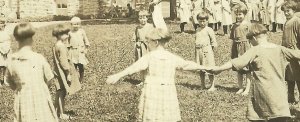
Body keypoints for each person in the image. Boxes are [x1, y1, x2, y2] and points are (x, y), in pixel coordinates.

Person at [106, 28, 208, 122]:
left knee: (152, 116)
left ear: (156, 42)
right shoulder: (171, 57)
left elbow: (133, 68)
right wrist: (207, 68)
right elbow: (187, 65)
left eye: (148, 42)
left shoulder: (149, 57)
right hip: (168, 91)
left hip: (152, 91)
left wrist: (118, 75)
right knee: (167, 116)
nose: (147, 45)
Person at [209, 23, 295, 122]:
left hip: (263, 94)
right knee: (280, 117)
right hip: (280, 96)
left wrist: (219, 69)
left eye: (249, 40)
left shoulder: (255, 50)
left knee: (260, 117)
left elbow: (236, 62)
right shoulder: (280, 49)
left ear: (253, 38)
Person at [5, 22, 58, 122]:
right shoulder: (38, 58)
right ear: (31, 39)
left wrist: (21, 89)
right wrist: (40, 87)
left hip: (23, 100)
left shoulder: (11, 61)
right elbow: (49, 79)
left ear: (16, 39)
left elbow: (10, 83)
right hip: (40, 98)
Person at [52, 24, 81, 119]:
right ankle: (62, 113)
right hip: (62, 73)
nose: (67, 35)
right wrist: (68, 74)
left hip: (57, 71)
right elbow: (64, 62)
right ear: (59, 35)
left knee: (59, 92)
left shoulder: (56, 45)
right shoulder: (62, 47)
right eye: (65, 34)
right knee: (62, 93)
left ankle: (56, 111)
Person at [280, 1, 300, 104]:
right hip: (286, 53)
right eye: (285, 11)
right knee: (289, 76)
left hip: (294, 53)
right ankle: (291, 97)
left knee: (298, 76)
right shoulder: (287, 22)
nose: (286, 13)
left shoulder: (296, 21)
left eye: (288, 11)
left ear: (294, 10)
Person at [230, 5, 252, 95]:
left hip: (245, 47)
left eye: (240, 14)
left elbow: (251, 38)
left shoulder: (248, 25)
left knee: (247, 69)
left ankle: (247, 88)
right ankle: (240, 87)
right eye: (237, 14)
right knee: (238, 68)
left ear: (245, 14)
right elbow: (233, 38)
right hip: (236, 47)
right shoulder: (234, 26)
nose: (238, 16)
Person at [195, 12, 218, 91]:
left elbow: (213, 41)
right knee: (201, 68)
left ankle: (212, 85)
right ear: (197, 21)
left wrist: (211, 49)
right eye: (200, 21)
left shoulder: (209, 30)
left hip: (207, 51)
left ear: (207, 21)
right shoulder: (197, 29)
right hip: (199, 51)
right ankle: (202, 84)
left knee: (209, 68)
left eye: (204, 21)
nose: (202, 23)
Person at [131, 10, 154, 81]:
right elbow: (135, 38)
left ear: (147, 18)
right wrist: (137, 42)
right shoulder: (138, 28)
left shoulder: (150, 26)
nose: (142, 20)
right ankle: (142, 80)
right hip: (140, 48)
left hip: (148, 48)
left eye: (144, 18)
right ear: (138, 19)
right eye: (140, 18)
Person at [68, 17, 90, 83]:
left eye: (77, 24)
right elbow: (67, 42)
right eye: (74, 24)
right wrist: (68, 50)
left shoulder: (81, 31)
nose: (76, 26)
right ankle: (74, 79)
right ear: (71, 25)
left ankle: (81, 78)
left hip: (80, 51)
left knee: (81, 65)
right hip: (73, 51)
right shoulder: (70, 33)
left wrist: (86, 48)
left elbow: (86, 40)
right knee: (73, 66)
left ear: (80, 24)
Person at [0, 18, 11, 85]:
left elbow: (9, 40)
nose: (1, 25)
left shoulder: (7, 32)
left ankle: (5, 80)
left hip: (7, 50)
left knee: (5, 66)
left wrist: (7, 49)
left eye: (2, 23)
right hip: (0, 51)